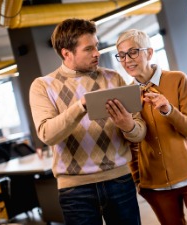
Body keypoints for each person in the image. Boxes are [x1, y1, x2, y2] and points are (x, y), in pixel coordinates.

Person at [29, 18, 146, 225]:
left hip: (120, 181)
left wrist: (128, 126)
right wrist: (82, 105)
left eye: (97, 46)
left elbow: (139, 132)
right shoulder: (42, 86)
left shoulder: (113, 78)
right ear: (67, 53)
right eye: (89, 49)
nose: (97, 53)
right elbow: (47, 134)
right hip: (75, 190)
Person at [114, 29, 187, 225]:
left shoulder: (177, 79)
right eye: (121, 55)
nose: (127, 60)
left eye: (133, 52)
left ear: (149, 52)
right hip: (155, 185)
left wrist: (168, 109)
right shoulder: (126, 95)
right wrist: (138, 181)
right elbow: (132, 144)